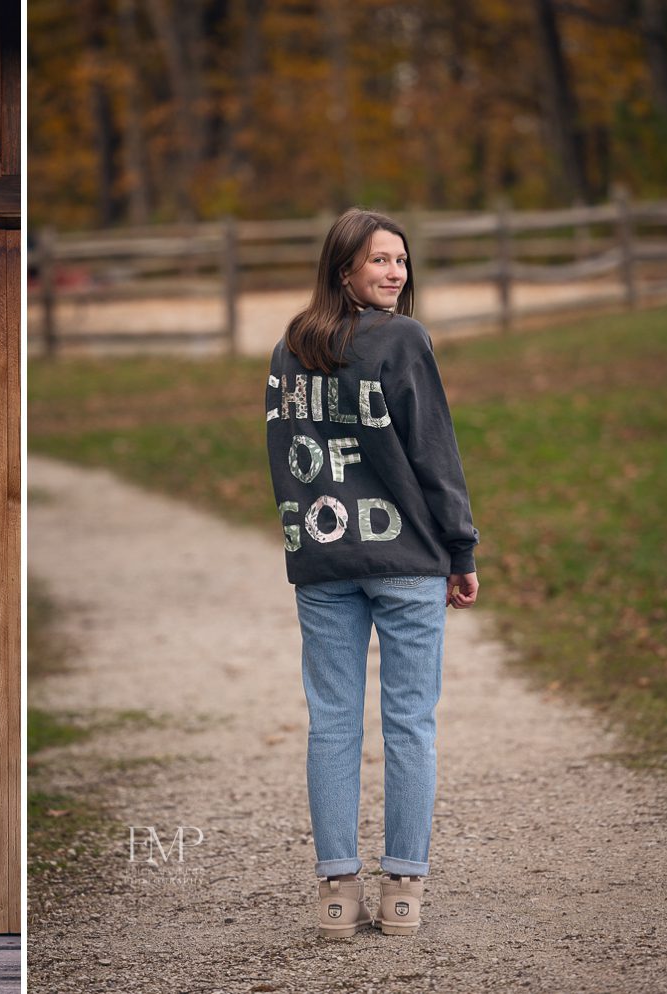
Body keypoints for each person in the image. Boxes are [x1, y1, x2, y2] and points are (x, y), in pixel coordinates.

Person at [266, 208, 479, 939]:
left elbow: (284, 459)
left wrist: (302, 538)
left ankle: (337, 894)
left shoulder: (290, 349)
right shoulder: (404, 340)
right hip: (404, 558)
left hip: (323, 556)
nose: (394, 272)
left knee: (332, 721)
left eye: (401, 260)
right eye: (379, 260)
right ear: (344, 269)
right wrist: (461, 548)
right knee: (409, 722)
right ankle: (402, 891)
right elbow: (434, 451)